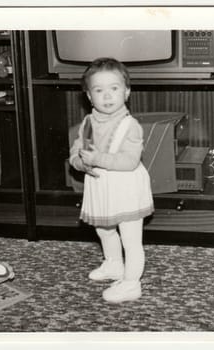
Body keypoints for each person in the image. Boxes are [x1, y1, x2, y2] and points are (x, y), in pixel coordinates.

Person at [69, 57, 154, 303]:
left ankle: (131, 283)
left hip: (126, 187)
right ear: (88, 96)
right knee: (104, 229)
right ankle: (114, 264)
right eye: (99, 90)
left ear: (126, 92)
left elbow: (129, 161)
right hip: (100, 185)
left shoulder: (130, 126)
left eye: (114, 89)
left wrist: (97, 158)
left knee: (130, 237)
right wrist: (81, 162)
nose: (107, 96)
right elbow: (76, 151)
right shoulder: (87, 122)